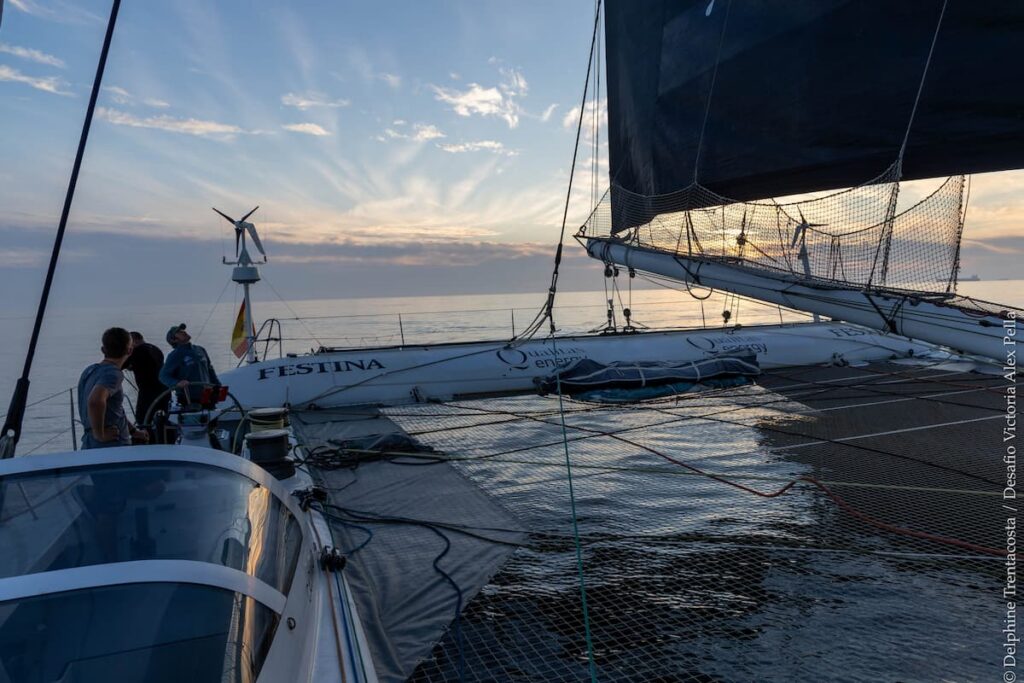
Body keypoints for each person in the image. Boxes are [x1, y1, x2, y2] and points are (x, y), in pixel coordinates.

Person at [77, 327, 149, 449]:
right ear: (130, 351)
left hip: (89, 443)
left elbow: (116, 410)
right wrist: (100, 434)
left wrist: (134, 431)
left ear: (103, 349)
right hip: (111, 446)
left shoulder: (89, 371)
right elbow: (95, 401)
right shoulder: (113, 374)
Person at [159, 323, 220, 403]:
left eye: (182, 330)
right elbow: (163, 376)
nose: (183, 332)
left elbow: (210, 369)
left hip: (208, 395)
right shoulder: (175, 355)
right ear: (174, 340)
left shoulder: (200, 349)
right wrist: (177, 383)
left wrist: (218, 386)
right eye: (179, 332)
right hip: (189, 399)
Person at [123, 331, 168, 425]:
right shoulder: (155, 349)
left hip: (148, 391)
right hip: (164, 389)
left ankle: (147, 437)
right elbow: (148, 365)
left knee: (142, 419)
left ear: (133, 341)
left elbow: (120, 365)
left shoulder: (137, 351)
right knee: (162, 417)